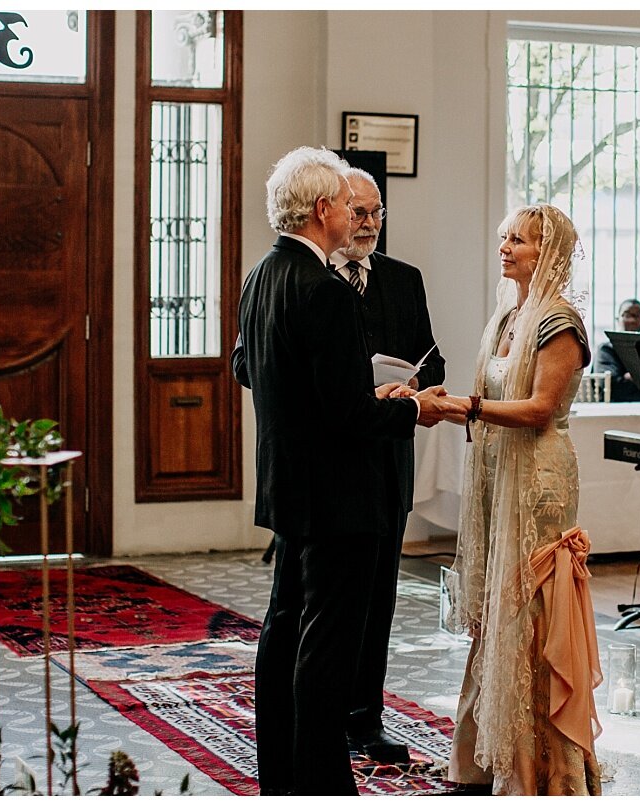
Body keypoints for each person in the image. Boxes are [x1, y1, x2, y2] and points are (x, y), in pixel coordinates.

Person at [232, 146, 463, 795]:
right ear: (323, 208)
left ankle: (279, 774)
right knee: (327, 648)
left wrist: (357, 397)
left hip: (286, 484)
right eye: (344, 201)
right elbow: (347, 415)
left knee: (283, 632)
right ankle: (323, 784)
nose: (354, 214)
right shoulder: (324, 290)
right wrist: (408, 407)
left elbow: (257, 371)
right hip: (338, 496)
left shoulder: (261, 275)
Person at [442, 204, 603, 795]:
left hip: (539, 480)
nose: (505, 247)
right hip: (496, 472)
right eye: (503, 237)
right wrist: (456, 402)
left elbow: (539, 409)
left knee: (528, 607)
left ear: (550, 252)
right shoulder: (507, 316)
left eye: (520, 241)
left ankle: (541, 768)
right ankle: (484, 758)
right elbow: (490, 390)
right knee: (495, 611)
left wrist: (466, 407)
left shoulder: (559, 322)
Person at [332, 168, 446, 764]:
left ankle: (365, 719)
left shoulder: (404, 281)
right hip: (329, 466)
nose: (370, 222)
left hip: (385, 465)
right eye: (358, 210)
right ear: (330, 210)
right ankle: (319, 715)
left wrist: (413, 384)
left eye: (377, 211)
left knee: (378, 602)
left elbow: (434, 357)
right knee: (326, 603)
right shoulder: (311, 277)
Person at [593, 298, 640, 402]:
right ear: (617, 319)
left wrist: (632, 378)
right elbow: (611, 386)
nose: (632, 320)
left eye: (636, 316)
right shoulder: (606, 350)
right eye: (627, 315)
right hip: (614, 410)